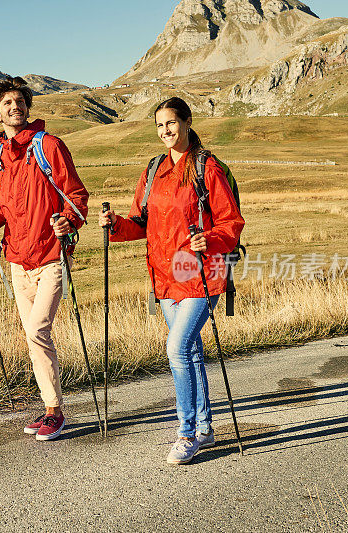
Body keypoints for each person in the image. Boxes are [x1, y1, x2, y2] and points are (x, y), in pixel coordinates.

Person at [99, 97, 244, 464]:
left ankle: (185, 433)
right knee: (191, 353)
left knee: (177, 349)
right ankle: (206, 429)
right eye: (159, 125)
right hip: (164, 278)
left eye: (171, 123)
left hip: (201, 274)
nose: (165, 131)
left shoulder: (206, 167)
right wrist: (115, 225)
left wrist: (208, 238)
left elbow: (230, 222)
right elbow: (141, 223)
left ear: (187, 122)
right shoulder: (152, 171)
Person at [0, 77, 89, 441]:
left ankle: (54, 412)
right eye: (6, 103)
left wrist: (69, 219)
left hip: (51, 255)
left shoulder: (48, 145)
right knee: (34, 337)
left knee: (37, 331)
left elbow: (76, 195)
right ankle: (52, 408)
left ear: (28, 107)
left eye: (19, 101)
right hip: (17, 261)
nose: (14, 106)